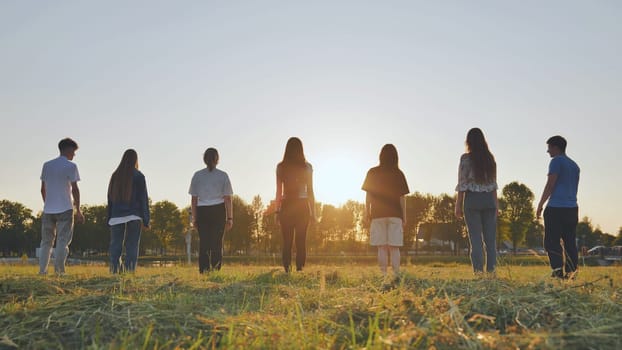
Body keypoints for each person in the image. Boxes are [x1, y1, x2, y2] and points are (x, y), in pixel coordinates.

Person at [454, 128, 499, 275]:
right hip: (489, 200)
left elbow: (462, 183)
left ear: (469, 141)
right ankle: (492, 272)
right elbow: (493, 185)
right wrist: (496, 206)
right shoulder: (490, 158)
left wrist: (458, 205)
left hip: (472, 199)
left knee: (475, 239)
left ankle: (479, 272)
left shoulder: (466, 159)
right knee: (490, 240)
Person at [362, 144, 409, 280]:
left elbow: (368, 195)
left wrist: (367, 212)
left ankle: (383, 275)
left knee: (381, 247)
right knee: (394, 247)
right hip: (395, 215)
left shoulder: (372, 172)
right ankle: (396, 275)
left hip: (377, 215)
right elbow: (402, 198)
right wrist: (404, 216)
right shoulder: (398, 173)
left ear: (381, 156)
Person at [39, 138, 84, 275]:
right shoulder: (71, 166)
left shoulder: (47, 165)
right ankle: (59, 271)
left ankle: (42, 271)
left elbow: (42, 189)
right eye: (74, 151)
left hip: (48, 209)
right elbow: (75, 189)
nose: (74, 155)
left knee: (46, 242)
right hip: (65, 208)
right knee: (62, 241)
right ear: (68, 149)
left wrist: (47, 203)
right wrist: (78, 209)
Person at [536, 135, 580, 279]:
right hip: (572, 208)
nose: (548, 151)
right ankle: (571, 272)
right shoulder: (574, 166)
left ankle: (557, 272)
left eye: (549, 148)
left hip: (556, 208)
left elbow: (550, 185)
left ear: (556, 147)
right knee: (570, 242)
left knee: (552, 242)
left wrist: (540, 204)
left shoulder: (556, 162)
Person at [189, 148, 234, 273]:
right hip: (218, 210)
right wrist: (230, 218)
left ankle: (204, 270)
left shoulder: (197, 175)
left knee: (204, 242)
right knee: (217, 242)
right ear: (217, 159)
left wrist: (194, 218)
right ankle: (216, 269)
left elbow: (194, 200)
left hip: (202, 211)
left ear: (204, 159)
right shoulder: (223, 175)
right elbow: (228, 199)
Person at [275, 137, 315, 273]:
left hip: (286, 205)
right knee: (301, 240)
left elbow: (279, 191)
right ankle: (300, 269)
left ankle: (287, 269)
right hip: (302, 205)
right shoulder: (307, 167)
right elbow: (310, 191)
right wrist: (313, 212)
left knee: (287, 241)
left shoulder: (281, 167)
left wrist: (277, 211)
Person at [107, 149, 150, 273]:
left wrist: (109, 217)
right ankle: (129, 271)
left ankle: (114, 271)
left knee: (115, 245)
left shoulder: (115, 176)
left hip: (116, 216)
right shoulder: (139, 176)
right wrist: (146, 219)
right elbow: (143, 199)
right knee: (132, 245)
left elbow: (110, 198)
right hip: (134, 215)